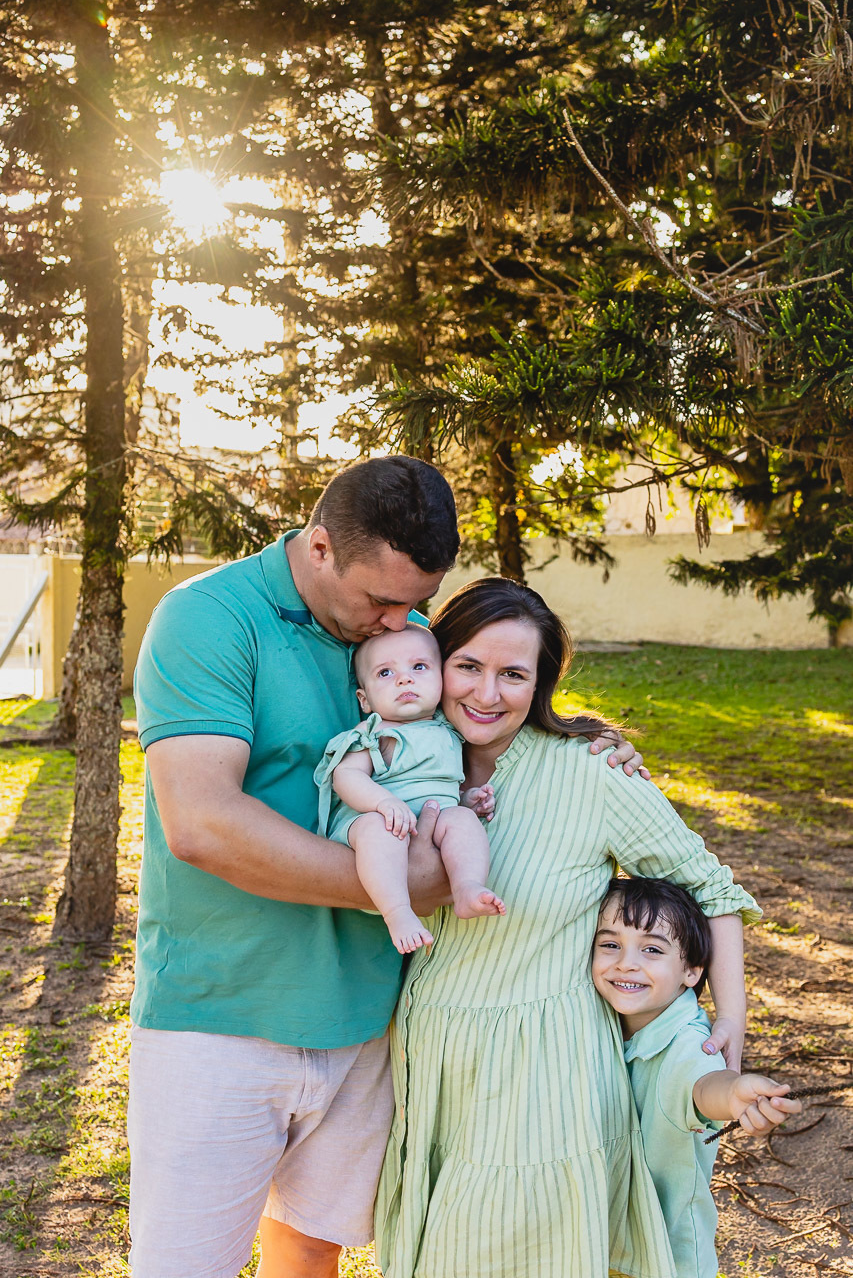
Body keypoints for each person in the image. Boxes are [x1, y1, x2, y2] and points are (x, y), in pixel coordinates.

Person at [128, 456, 643, 1278]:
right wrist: (401, 887)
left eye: (416, 602)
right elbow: (203, 825)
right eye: (382, 601)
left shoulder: (395, 623)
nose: (401, 622)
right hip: (221, 1017)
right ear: (321, 546)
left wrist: (584, 741)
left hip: (369, 1019)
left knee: (308, 1254)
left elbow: (485, 715)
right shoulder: (209, 618)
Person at [374, 576, 762, 1278]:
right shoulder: (396, 758)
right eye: (468, 666)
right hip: (431, 1063)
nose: (486, 694)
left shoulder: (589, 772)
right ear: (435, 662)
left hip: (541, 1073)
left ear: (540, 683)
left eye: (513, 675)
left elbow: (710, 885)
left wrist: (730, 1012)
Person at [591, 877, 801, 1278]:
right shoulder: (598, 1019)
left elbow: (703, 1086)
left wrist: (734, 1092)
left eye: (652, 949)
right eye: (610, 944)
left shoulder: (688, 1043)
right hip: (601, 1239)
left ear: (691, 970)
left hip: (662, 1255)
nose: (626, 963)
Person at [315, 624, 504, 954]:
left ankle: (467, 887)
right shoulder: (373, 732)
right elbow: (346, 776)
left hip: (427, 831)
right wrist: (383, 802)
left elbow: (437, 790)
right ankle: (397, 912)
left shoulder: (447, 730)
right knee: (380, 829)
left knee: (461, 820)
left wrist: (465, 801)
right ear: (365, 699)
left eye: (419, 667)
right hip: (374, 830)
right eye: (386, 672)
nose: (405, 679)